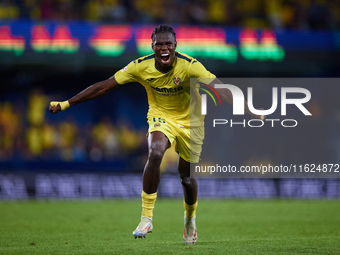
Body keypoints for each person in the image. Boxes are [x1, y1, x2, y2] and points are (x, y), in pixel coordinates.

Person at [49, 24, 262, 244]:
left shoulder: (190, 66)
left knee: (186, 178)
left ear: (175, 46)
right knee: (156, 152)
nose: (164, 48)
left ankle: (190, 219)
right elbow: (104, 86)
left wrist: (248, 108)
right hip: (161, 117)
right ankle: (146, 218)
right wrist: (66, 103)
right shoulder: (140, 66)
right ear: (152, 47)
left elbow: (220, 88)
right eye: (159, 44)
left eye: (168, 43)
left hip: (192, 122)